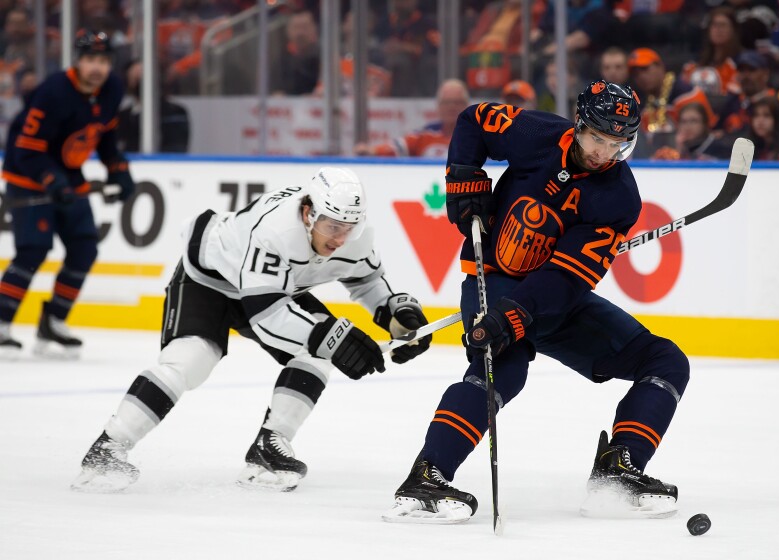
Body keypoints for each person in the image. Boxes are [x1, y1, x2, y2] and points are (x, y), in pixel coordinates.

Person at [382, 81, 689, 524]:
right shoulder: (536, 133)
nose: (605, 153)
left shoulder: (619, 197)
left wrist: (517, 316)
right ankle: (427, 477)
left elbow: (566, 277)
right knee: (504, 366)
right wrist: (465, 175)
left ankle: (618, 472)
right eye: (597, 139)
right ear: (579, 126)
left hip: (552, 297)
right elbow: (473, 121)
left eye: (618, 144)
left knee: (665, 361)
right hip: (492, 276)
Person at [71, 167, 433, 493]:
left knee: (315, 353)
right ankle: (107, 448)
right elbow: (266, 316)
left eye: (348, 227)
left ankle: (268, 447)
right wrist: (333, 337)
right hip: (209, 279)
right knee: (190, 359)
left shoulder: (353, 237)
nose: (340, 239)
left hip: (272, 287)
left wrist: (395, 313)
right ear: (308, 213)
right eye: (332, 227)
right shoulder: (276, 230)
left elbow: (368, 281)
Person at [0, 29, 135, 360]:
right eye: (90, 60)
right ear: (78, 61)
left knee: (84, 248)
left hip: (69, 176)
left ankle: (54, 322)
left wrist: (118, 168)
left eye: (103, 61)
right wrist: (52, 181)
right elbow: (27, 149)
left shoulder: (112, 89)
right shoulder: (54, 92)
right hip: (28, 175)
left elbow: (104, 135)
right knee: (33, 250)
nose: (96, 68)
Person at [354, 79, 469, 158]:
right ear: (438, 107)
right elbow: (397, 147)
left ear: (467, 106)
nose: (452, 107)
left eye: (457, 102)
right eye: (446, 102)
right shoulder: (426, 134)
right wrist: (373, 151)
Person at [117, 59, 190, 153]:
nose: (142, 83)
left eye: (144, 77)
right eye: (136, 78)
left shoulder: (175, 112)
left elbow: (176, 148)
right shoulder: (122, 116)